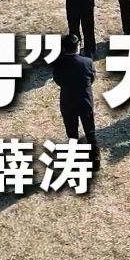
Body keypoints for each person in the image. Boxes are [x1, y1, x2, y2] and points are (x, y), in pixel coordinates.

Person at [51, 33, 99, 167]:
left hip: (68, 102)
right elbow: (92, 78)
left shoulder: (58, 64)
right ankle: (95, 159)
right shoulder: (87, 62)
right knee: (90, 131)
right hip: (85, 100)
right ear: (78, 46)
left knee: (72, 134)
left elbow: (58, 80)